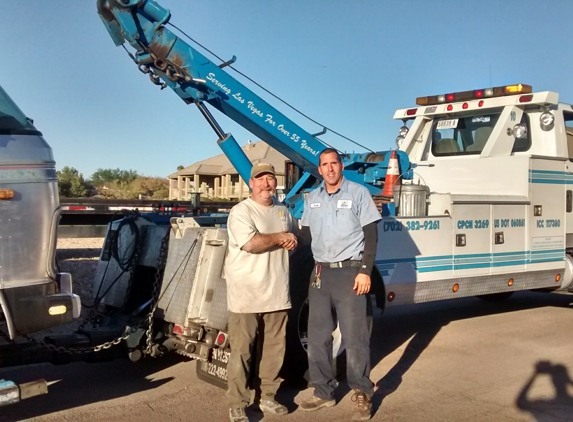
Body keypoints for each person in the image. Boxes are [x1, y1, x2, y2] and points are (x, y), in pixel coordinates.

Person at [299, 148, 381, 421]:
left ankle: (362, 391)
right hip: (321, 273)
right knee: (318, 336)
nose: (330, 169)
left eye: (334, 163)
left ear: (341, 166)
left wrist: (365, 270)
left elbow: (371, 234)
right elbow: (307, 234)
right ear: (319, 170)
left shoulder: (357, 193)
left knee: (355, 336)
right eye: (325, 165)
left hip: (350, 273)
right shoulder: (313, 198)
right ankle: (323, 392)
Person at [224, 162, 298, 422]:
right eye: (261, 179)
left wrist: (294, 239)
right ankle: (237, 403)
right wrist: (280, 237)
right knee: (242, 351)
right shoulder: (241, 211)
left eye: (270, 178)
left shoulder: (283, 211)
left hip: (277, 292)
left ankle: (268, 396)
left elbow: (295, 237)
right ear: (251, 183)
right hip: (246, 294)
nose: (266, 184)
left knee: (274, 350)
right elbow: (251, 244)